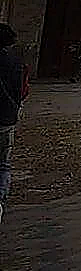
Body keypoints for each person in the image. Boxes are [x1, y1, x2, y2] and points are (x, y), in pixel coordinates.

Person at [1, 23, 29, 223]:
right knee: (2, 164)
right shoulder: (15, 62)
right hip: (5, 117)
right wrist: (16, 108)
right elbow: (21, 91)